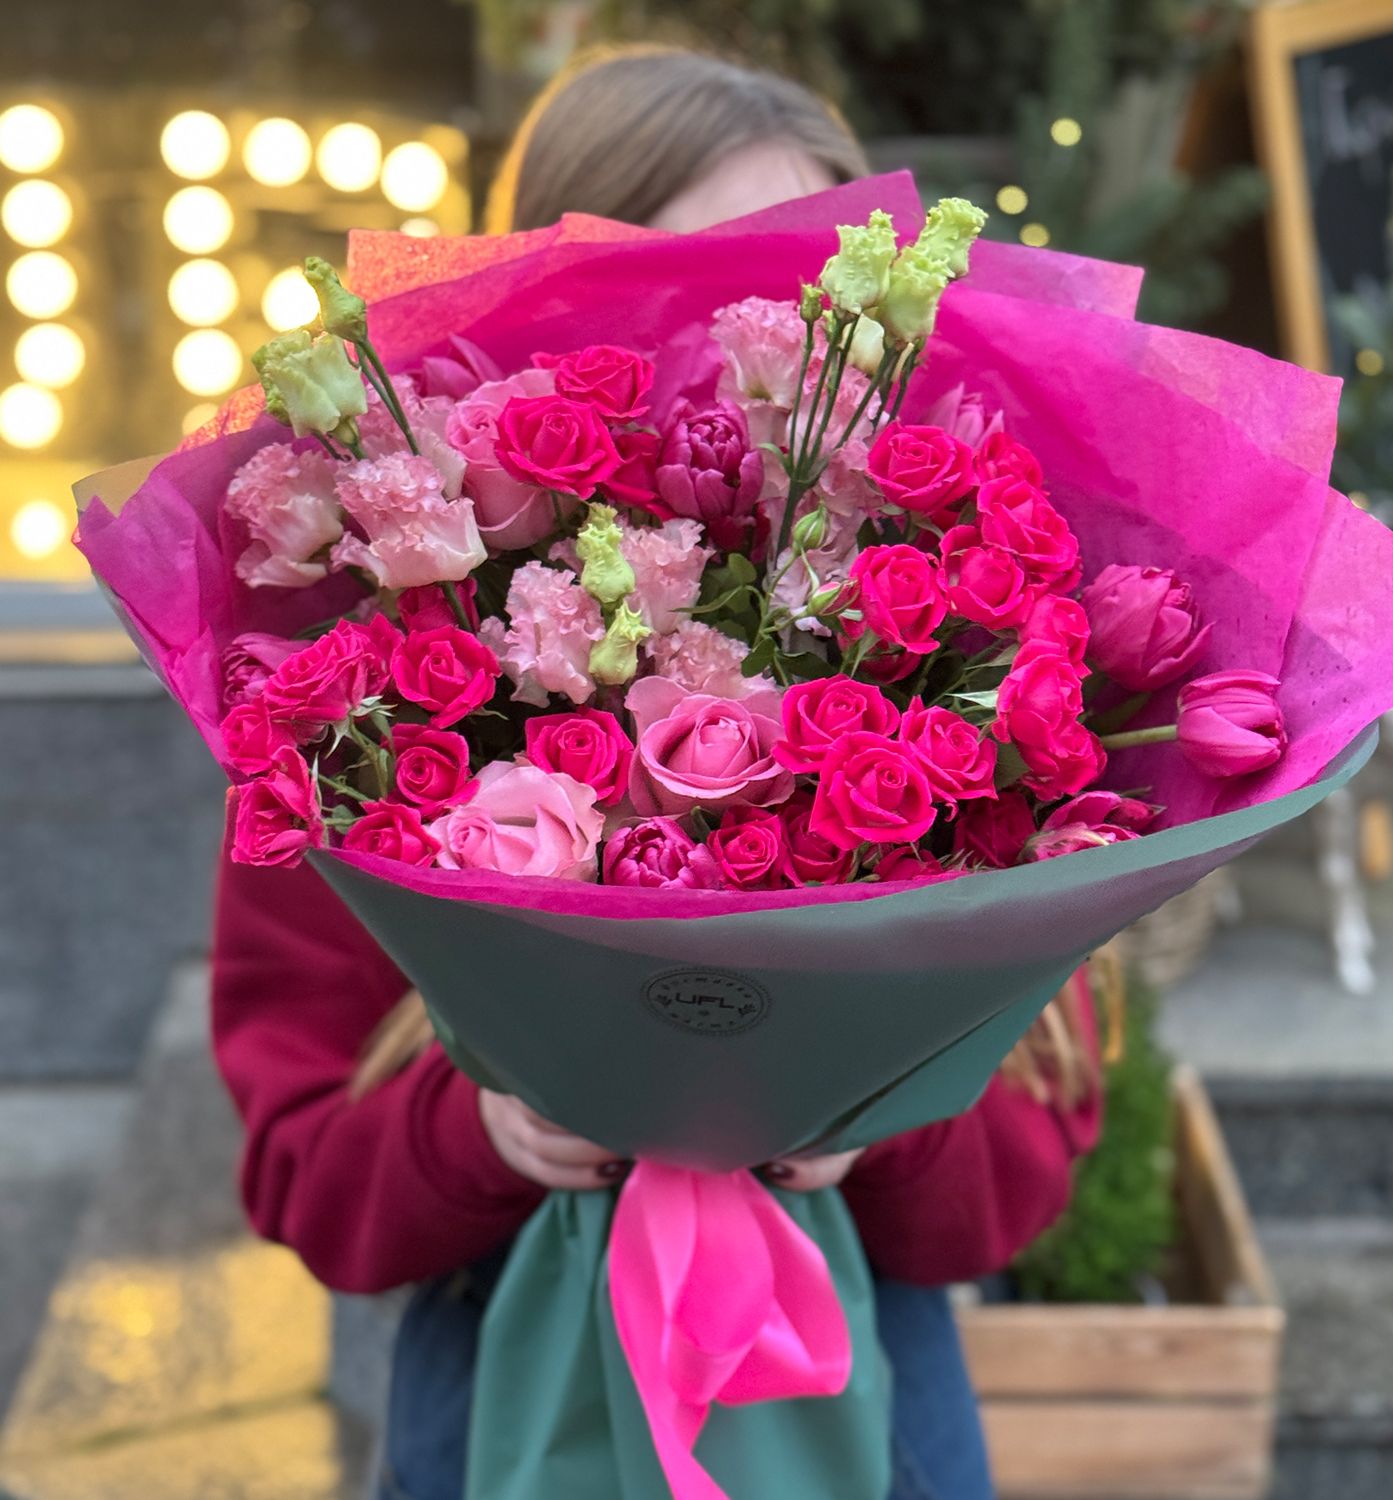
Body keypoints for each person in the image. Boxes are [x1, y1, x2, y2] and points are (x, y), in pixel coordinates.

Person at [210, 44, 1103, 1500]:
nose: (752, 348)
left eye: (808, 295)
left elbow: (1019, 1183)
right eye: (685, 282)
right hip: (500, 1372)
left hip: (861, 1381)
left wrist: (866, 1115)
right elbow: (304, 1181)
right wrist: (486, 1128)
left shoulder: (959, 673)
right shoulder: (351, 730)